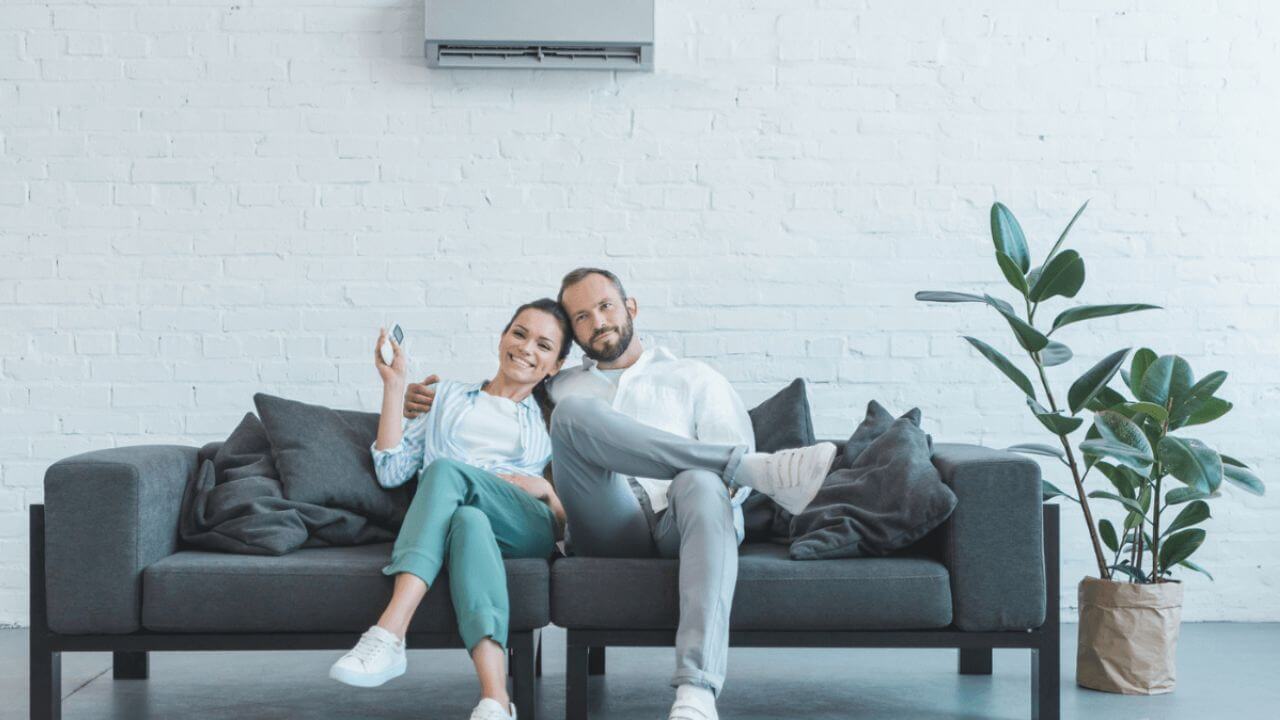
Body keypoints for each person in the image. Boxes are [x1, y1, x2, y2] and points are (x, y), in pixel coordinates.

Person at [404, 269, 836, 720]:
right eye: (582, 316)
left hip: (683, 518)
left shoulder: (694, 378)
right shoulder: (560, 387)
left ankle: (696, 692)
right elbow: (505, 392)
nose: (598, 322)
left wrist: (721, 475)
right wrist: (427, 401)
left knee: (704, 480)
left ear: (631, 307)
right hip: (607, 520)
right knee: (574, 413)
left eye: (606, 306)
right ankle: (738, 459)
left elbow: (733, 494)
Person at [330, 298, 573, 720]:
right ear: (501, 338)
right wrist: (393, 384)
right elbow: (392, 471)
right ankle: (496, 698)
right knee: (466, 519)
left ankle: (390, 632)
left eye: (543, 345)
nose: (527, 348)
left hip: (526, 522)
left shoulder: (556, 422)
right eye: (519, 333)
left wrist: (549, 494)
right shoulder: (444, 396)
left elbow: (578, 513)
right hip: (465, 516)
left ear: (554, 364)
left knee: (445, 472)